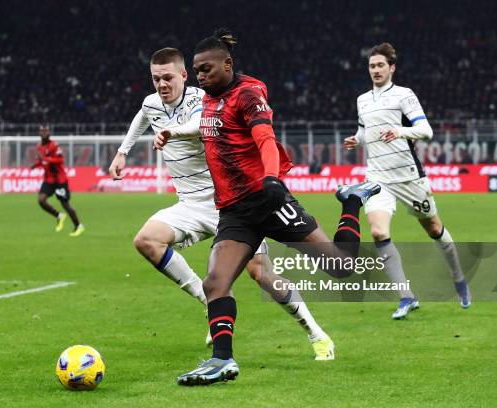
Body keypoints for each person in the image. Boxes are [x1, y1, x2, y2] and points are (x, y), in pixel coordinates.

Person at [156, 29, 380, 386]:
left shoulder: (248, 93)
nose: (200, 76)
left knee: (341, 267)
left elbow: (264, 137)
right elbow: (205, 128)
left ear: (227, 65)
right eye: (196, 70)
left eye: (206, 69)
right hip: (233, 210)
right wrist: (175, 133)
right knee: (216, 283)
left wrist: (273, 179)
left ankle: (352, 201)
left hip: (267, 200)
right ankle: (222, 361)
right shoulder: (209, 100)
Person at [110, 47, 335, 359]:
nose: (162, 84)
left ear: (184, 76)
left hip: (228, 203)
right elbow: (142, 116)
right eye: (155, 79)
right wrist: (123, 151)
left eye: (168, 78)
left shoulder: (201, 99)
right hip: (188, 203)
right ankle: (207, 302)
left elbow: (200, 125)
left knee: (262, 275)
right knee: (146, 240)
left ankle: (315, 332)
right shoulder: (151, 104)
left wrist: (171, 132)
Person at [343, 43, 470, 319]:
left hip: (408, 176)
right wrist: (357, 139)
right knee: (378, 232)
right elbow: (365, 130)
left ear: (392, 68)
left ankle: (459, 279)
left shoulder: (404, 95)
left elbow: (426, 131)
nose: (375, 70)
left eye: (380, 65)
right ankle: (406, 296)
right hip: (377, 176)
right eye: (371, 66)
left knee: (434, 228)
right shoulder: (362, 100)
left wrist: (400, 131)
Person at [31, 125, 85, 237]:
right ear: (39, 133)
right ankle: (59, 216)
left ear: (49, 132)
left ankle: (78, 226)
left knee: (65, 204)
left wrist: (45, 159)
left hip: (60, 180)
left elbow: (61, 159)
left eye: (46, 130)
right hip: (49, 179)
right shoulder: (39, 147)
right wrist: (36, 165)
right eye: (42, 131)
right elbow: (43, 162)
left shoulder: (54, 145)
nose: (44, 132)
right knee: (41, 200)